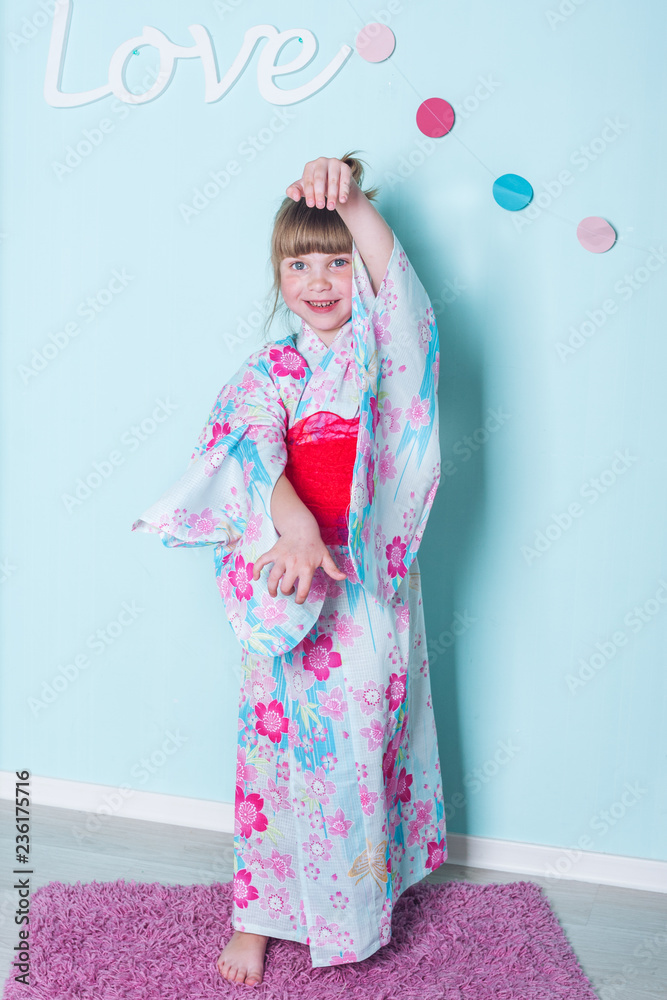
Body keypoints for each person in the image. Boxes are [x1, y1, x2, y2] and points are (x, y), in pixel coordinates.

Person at [131, 153, 447, 986]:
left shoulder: (384, 352)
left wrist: (352, 206)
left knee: (365, 743)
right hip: (287, 575)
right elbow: (243, 444)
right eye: (299, 263)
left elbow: (406, 302)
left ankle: (355, 910)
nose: (319, 280)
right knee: (274, 752)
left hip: (368, 583)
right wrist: (296, 525)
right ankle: (260, 914)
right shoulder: (274, 368)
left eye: (337, 261)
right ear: (278, 274)